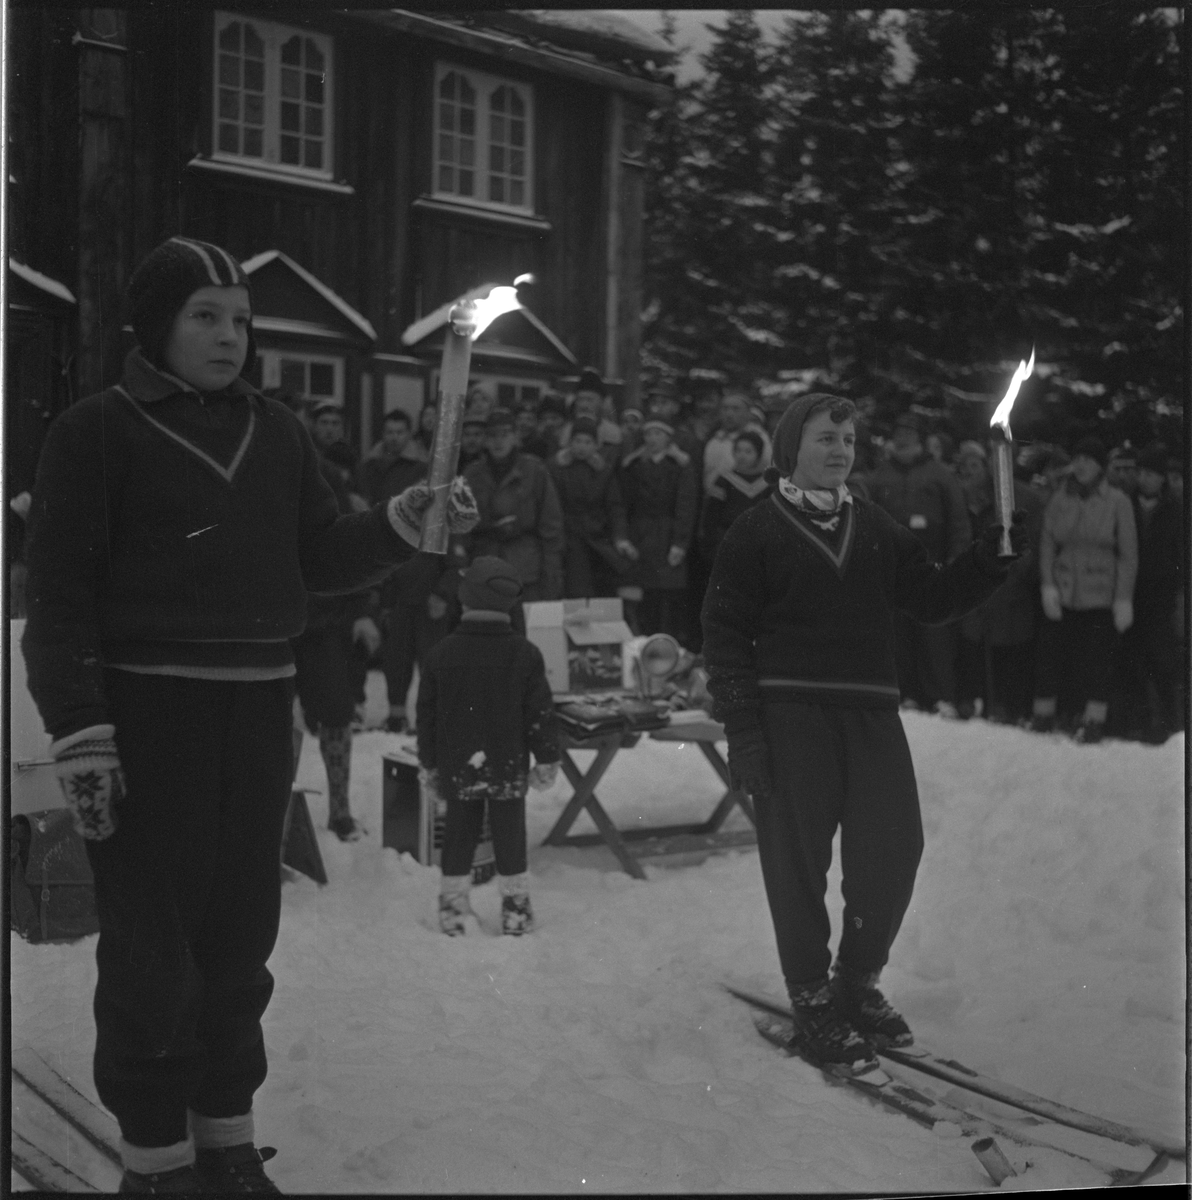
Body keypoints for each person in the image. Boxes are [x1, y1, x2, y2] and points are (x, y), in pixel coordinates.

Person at [20, 236, 478, 1194]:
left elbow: (318, 558)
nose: (230, 336)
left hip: (259, 713)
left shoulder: (277, 433)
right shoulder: (96, 431)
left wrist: (399, 524)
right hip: (146, 720)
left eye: (240, 318)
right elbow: (58, 597)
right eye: (206, 316)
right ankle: (155, 1159)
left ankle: (225, 1139)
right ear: (156, 325)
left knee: (240, 940)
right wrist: (80, 728)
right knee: (154, 949)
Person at [701, 393, 1025, 1069]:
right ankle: (810, 997)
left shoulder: (875, 526)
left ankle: (855, 980)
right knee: (797, 866)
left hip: (872, 714)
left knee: (893, 851)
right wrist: (746, 736)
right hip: (791, 718)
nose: (841, 450)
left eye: (848, 439)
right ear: (792, 446)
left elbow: (931, 598)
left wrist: (986, 560)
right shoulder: (754, 532)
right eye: (827, 437)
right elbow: (724, 640)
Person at [416, 557, 560, 936]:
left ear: (467, 600)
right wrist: (547, 757)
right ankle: (516, 909)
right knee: (510, 834)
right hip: (507, 763)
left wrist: (429, 763)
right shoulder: (525, 654)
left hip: (456, 763)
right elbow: (539, 714)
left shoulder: (441, 654)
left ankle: (453, 908)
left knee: (459, 832)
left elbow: (427, 717)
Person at [1031, 436, 1137, 743]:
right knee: (1051, 656)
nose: (1080, 465)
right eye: (1077, 459)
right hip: (1063, 591)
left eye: (1088, 460)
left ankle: (1093, 720)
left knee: (1096, 661)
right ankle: (1044, 714)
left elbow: (1128, 555)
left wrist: (1123, 599)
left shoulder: (1118, 502)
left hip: (1100, 594)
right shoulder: (1060, 498)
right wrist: (1048, 585)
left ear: (1100, 466)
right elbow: (1048, 543)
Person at [867, 411, 972, 716]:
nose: (903, 439)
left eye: (909, 433)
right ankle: (905, 692)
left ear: (921, 439)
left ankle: (940, 695)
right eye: (898, 433)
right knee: (898, 634)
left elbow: (958, 522)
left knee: (935, 633)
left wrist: (955, 561)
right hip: (892, 565)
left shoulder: (940, 475)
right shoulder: (880, 476)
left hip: (932, 563)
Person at [953, 440, 1045, 723]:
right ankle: (975, 699)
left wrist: (1017, 570)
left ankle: (1007, 705)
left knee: (1011, 645)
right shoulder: (975, 493)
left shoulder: (1028, 497)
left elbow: (1034, 541)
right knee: (974, 640)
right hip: (982, 579)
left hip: (1013, 583)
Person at [1115, 443, 1183, 742]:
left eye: (1151, 474)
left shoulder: (1175, 508)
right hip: (1131, 592)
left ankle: (1169, 721)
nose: (1145, 479)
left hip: (1161, 595)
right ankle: (1139, 721)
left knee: (1163, 661)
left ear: (1162, 478)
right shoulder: (1125, 503)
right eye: (1141, 472)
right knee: (1132, 660)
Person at [463, 407, 564, 603]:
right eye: (492, 435)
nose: (498, 441)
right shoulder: (472, 474)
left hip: (526, 570)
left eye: (504, 434)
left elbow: (551, 526)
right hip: (485, 568)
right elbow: (460, 527)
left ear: (516, 437)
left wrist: (551, 575)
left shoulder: (535, 471)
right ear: (485, 440)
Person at [618, 416, 698, 640]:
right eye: (648, 434)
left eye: (658, 434)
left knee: (668, 595)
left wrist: (680, 543)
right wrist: (624, 536)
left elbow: (685, 506)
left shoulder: (680, 465)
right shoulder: (634, 466)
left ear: (668, 438)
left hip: (667, 534)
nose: (652, 439)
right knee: (643, 595)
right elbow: (624, 504)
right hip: (640, 535)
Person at [548, 416, 633, 598]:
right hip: (568, 535)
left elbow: (615, 507)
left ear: (596, 445)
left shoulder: (603, 471)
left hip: (597, 535)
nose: (582, 447)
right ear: (569, 443)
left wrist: (620, 537)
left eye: (588, 442)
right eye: (577, 441)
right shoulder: (556, 469)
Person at [699, 429, 773, 564]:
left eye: (748, 452)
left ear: (759, 454)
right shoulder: (724, 480)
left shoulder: (767, 483)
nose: (742, 456)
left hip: (759, 543)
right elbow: (712, 514)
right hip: (728, 539)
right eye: (738, 450)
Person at [702, 387, 772, 492]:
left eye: (736, 409)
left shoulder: (759, 439)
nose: (729, 414)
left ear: (748, 413)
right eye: (725, 408)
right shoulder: (715, 439)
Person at [358, 409, 429, 507]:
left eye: (400, 432)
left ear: (409, 434)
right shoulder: (369, 464)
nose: (394, 438)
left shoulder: (420, 466)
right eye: (390, 432)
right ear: (383, 433)